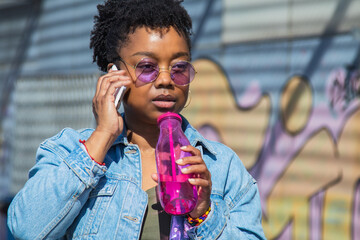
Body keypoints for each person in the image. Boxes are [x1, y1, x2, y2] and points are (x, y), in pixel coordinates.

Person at [7, 0, 266, 239]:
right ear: (115, 75)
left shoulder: (221, 167)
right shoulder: (68, 150)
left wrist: (204, 214)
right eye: (147, 67)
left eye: (179, 68)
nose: (165, 80)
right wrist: (103, 136)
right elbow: (26, 229)